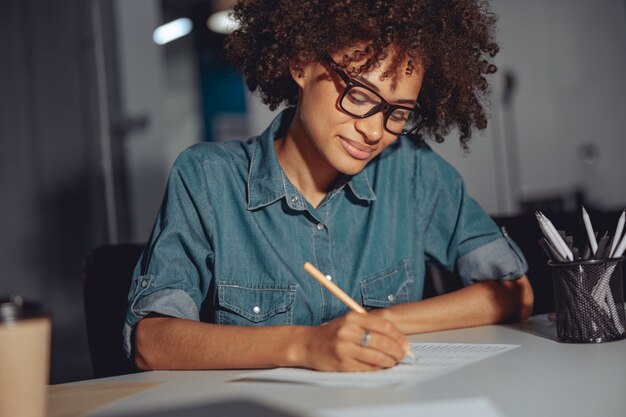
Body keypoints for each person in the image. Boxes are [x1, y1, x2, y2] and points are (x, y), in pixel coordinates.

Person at [124, 0, 534, 373]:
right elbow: (152, 341)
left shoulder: (412, 171)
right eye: (359, 96)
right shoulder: (207, 179)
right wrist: (306, 345)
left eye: (398, 114)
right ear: (301, 64)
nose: (374, 131)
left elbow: (514, 293)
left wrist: (380, 323)